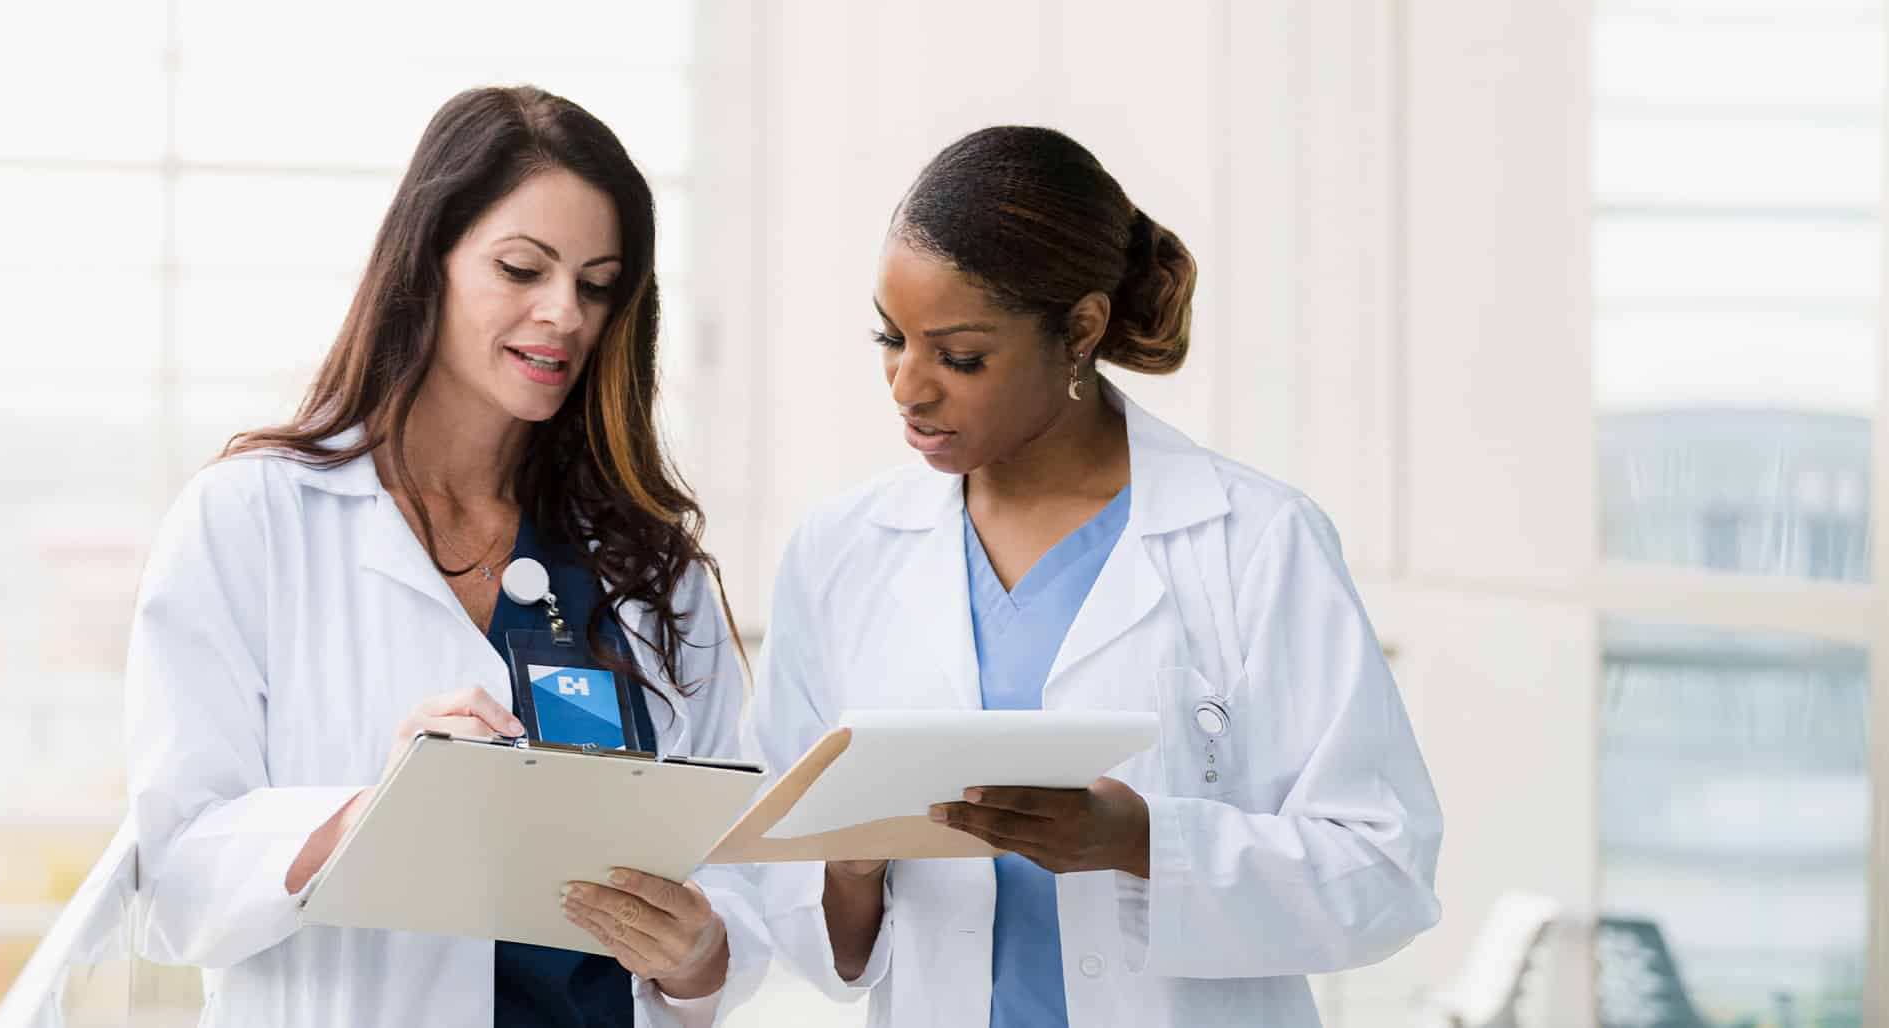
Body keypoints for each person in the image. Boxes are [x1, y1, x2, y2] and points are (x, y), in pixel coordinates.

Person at [745, 125, 1445, 1027]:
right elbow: (785, 893)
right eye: (892, 338)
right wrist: (847, 861)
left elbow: (1384, 873)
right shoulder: (841, 548)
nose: (907, 388)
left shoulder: (1258, 541)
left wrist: (1146, 841)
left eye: (959, 356)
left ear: (1080, 329)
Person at [124, 86, 763, 1027]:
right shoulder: (253, 520)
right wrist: (373, 815)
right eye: (521, 267)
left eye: (595, 284)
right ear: (428, 261)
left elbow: (735, 878)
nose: (563, 314)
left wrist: (701, 955)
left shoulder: (652, 571)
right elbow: (172, 881)